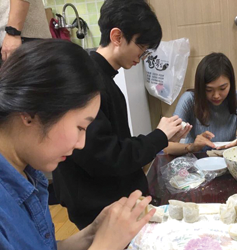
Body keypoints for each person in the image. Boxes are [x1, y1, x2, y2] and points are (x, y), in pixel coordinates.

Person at [0, 39, 155, 250]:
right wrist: (105, 245)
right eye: (81, 128)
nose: (81, 144)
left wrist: (93, 233)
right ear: (30, 114)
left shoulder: (30, 176)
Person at [52, 0, 186, 229]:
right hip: (97, 208)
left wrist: (160, 138)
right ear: (117, 37)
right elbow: (108, 157)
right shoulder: (89, 83)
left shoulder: (104, 81)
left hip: (107, 199)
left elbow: (113, 149)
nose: (141, 57)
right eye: (141, 48)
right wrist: (158, 136)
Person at [163, 52, 237, 155]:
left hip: (227, 159)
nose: (216, 95)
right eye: (209, 90)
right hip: (196, 160)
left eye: (223, 88)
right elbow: (167, 146)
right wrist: (191, 147)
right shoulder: (190, 99)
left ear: (231, 84)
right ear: (200, 87)